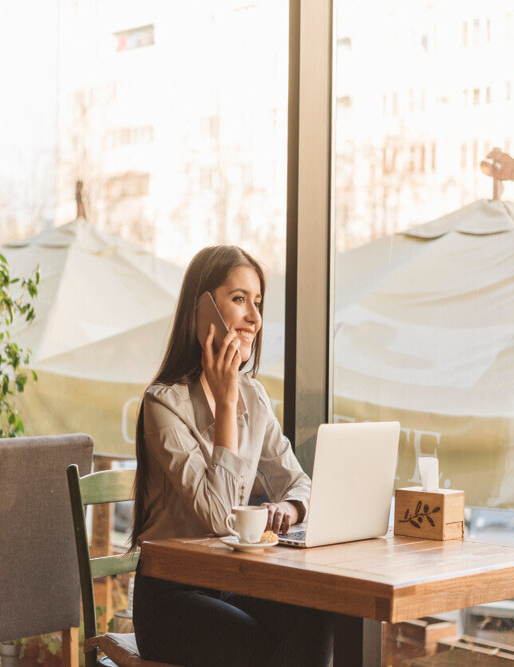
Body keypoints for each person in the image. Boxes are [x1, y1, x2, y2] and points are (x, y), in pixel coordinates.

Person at [130, 245, 333, 666]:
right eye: (239, 300)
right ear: (202, 309)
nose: (255, 319)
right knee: (260, 648)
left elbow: (299, 481)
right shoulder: (162, 405)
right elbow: (220, 515)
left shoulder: (255, 398)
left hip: (231, 583)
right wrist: (225, 405)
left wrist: (291, 508)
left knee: (319, 616)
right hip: (171, 596)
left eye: (257, 303)